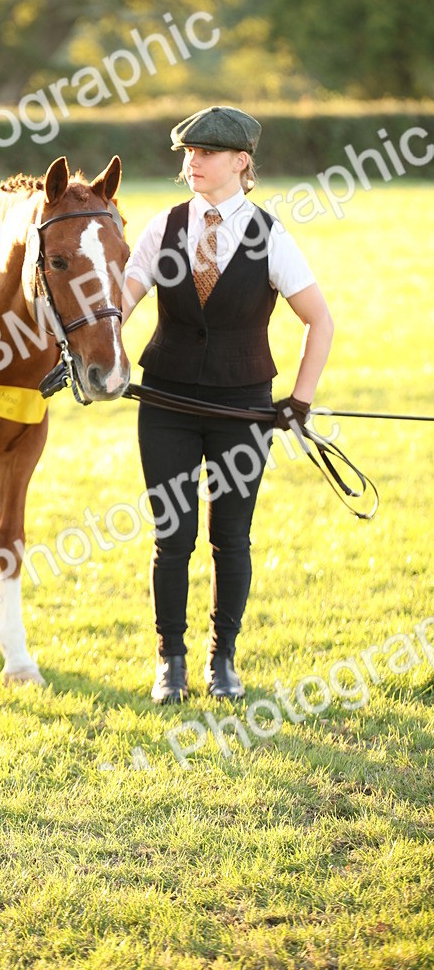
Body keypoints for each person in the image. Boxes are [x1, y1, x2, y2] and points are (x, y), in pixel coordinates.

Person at [121, 105, 334, 702]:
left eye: (206, 152)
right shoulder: (163, 229)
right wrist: (98, 355)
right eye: (188, 152)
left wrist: (300, 400)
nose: (193, 162)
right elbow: (123, 302)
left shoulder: (271, 235)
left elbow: (320, 322)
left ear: (241, 162)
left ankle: (223, 661)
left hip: (243, 409)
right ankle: (171, 661)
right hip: (164, 401)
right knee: (173, 535)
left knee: (231, 536)